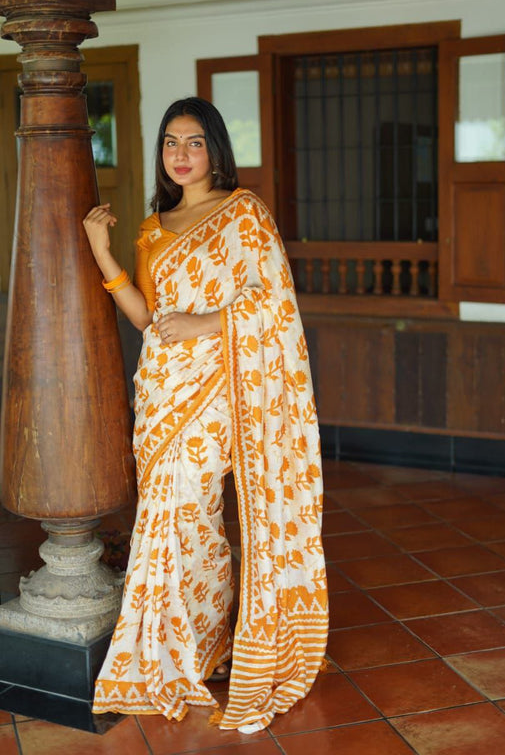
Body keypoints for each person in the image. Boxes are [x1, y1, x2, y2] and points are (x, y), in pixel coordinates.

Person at [83, 97, 328, 734]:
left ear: (215, 149)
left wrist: (205, 321)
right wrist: (103, 252)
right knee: (171, 518)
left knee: (185, 510)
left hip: (221, 386)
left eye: (194, 142)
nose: (181, 154)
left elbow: (274, 303)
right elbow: (146, 317)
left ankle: (177, 652)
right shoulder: (154, 227)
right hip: (162, 389)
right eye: (170, 142)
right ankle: (199, 642)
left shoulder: (244, 213)